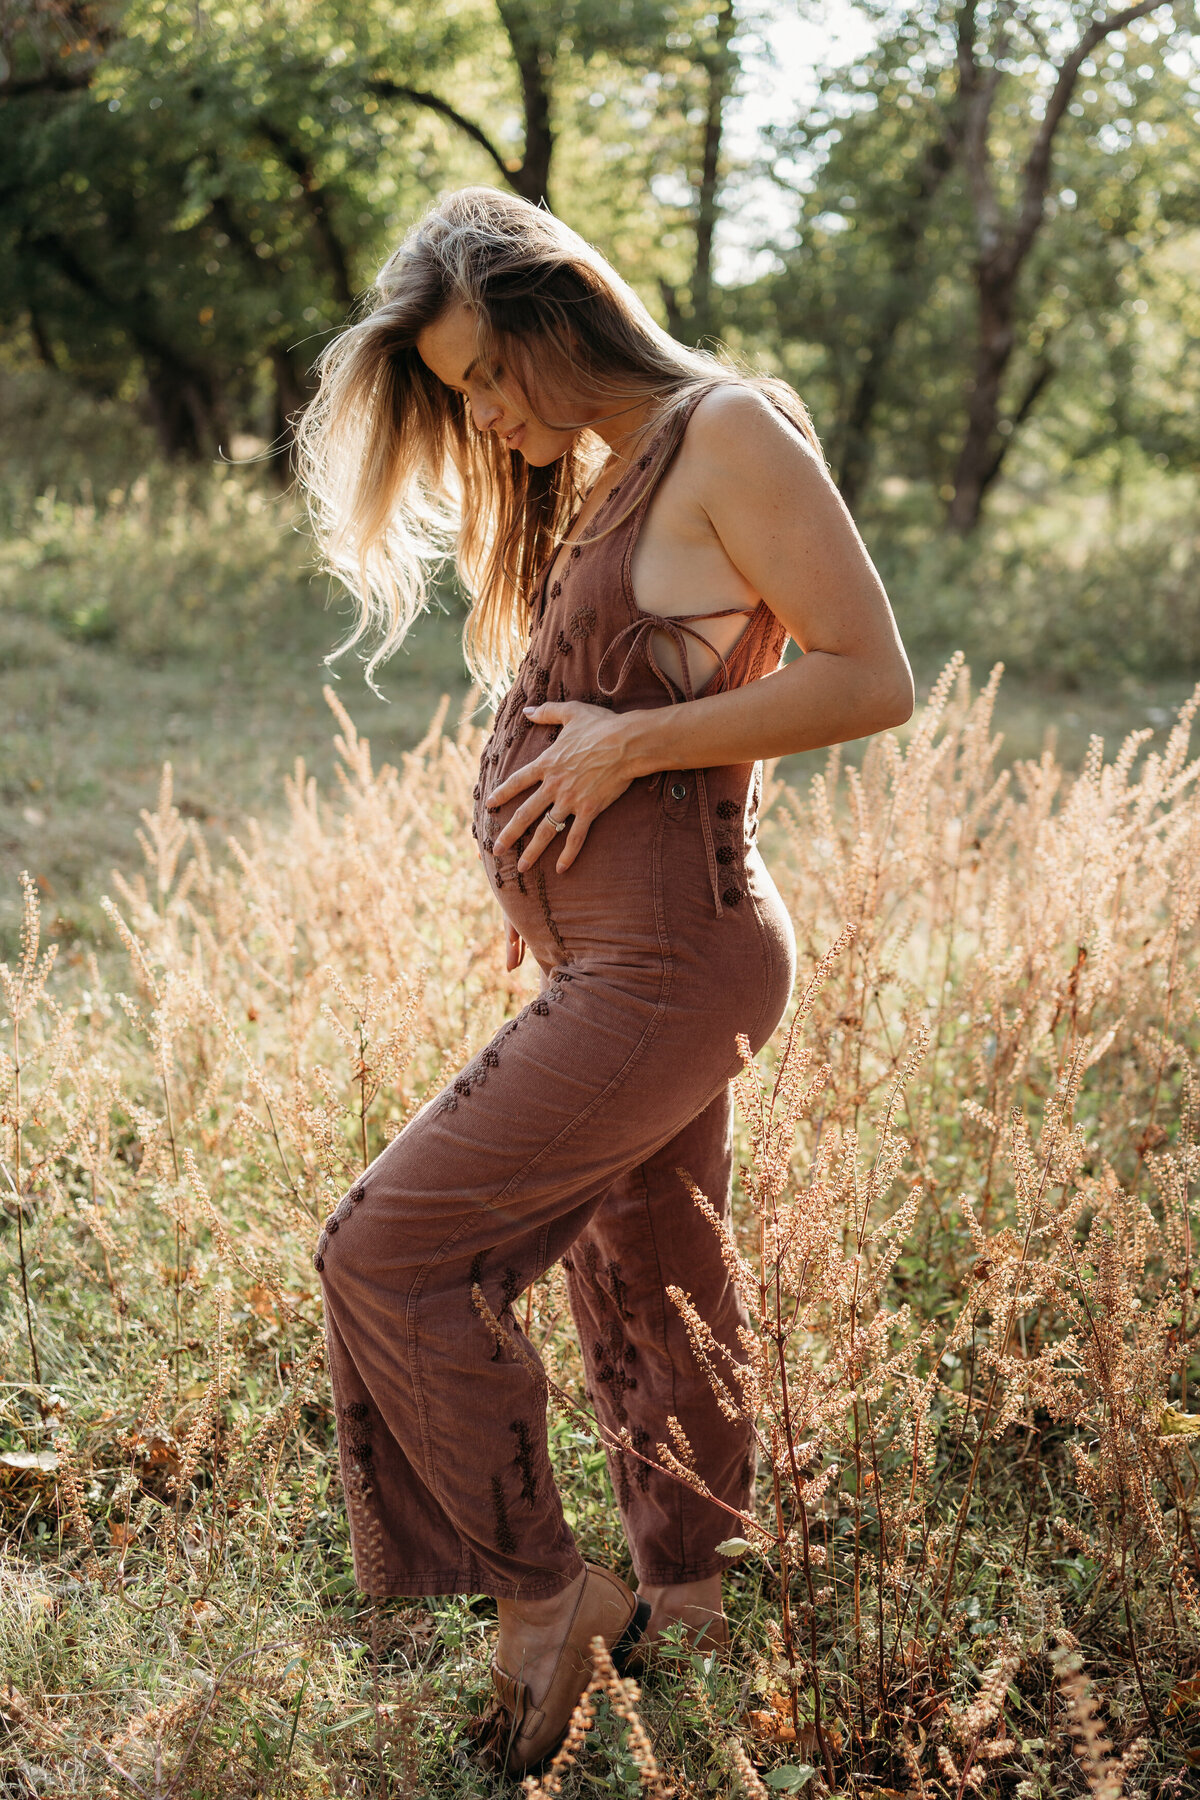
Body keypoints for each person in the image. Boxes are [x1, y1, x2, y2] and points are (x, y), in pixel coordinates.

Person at [294, 185, 912, 1775]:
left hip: (677, 961)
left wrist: (630, 748)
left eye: (488, 374)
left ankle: (542, 1596)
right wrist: (548, 869)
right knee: (652, 1287)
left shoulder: (728, 434)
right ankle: (687, 1611)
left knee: (386, 1252)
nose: (485, 415)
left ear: (565, 312)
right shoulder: (605, 470)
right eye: (456, 395)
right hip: (620, 956)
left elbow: (870, 676)